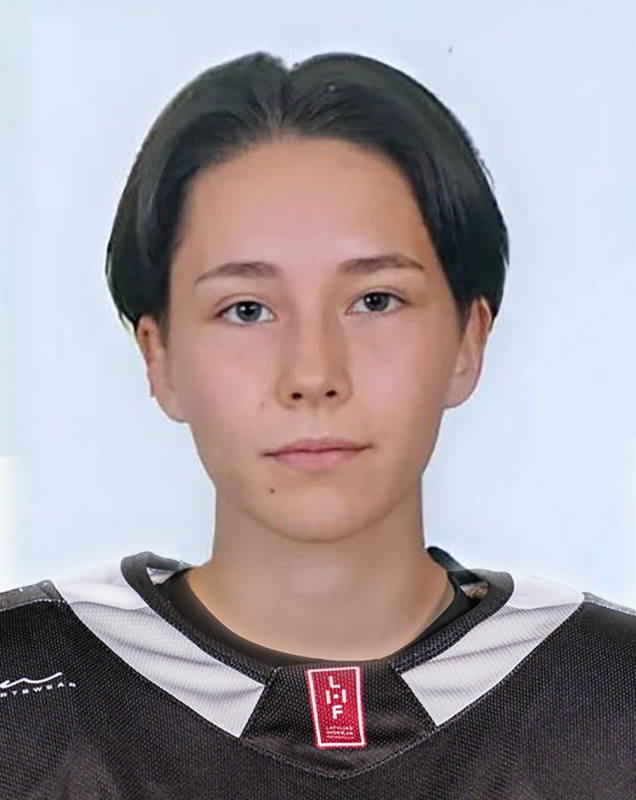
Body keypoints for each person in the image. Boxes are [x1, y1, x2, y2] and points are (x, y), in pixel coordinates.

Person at [1, 51, 634, 799]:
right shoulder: (24, 702)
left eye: (375, 301)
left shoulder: (611, 699)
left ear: (469, 340)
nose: (313, 374)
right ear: (159, 355)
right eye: (246, 310)